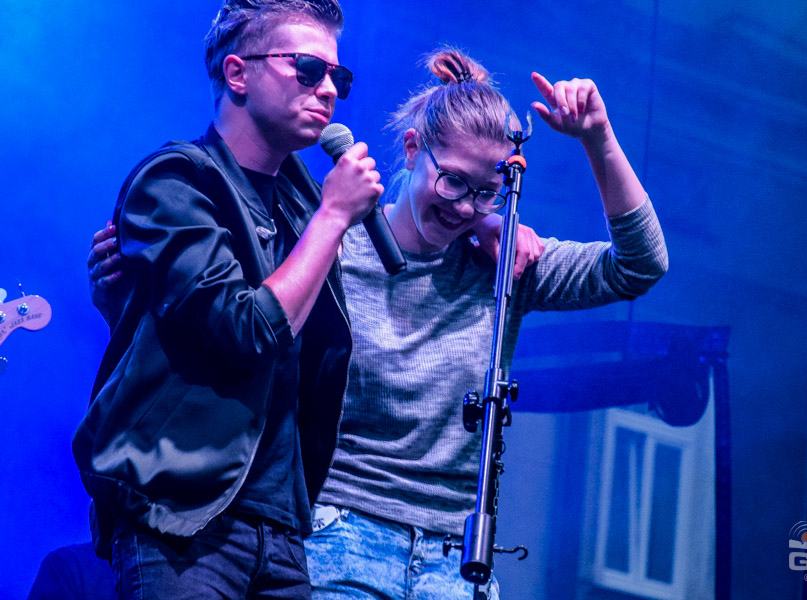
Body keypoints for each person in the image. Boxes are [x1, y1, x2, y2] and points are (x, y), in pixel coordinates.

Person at [88, 48, 667, 598]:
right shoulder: (329, 243)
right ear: (412, 149)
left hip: (456, 557)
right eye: (453, 181)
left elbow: (641, 265)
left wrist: (598, 138)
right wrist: (123, 303)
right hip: (338, 535)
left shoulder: (505, 261)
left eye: (486, 193)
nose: (464, 207)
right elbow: (231, 328)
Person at [73, 1, 383, 598]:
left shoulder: (304, 200)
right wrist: (334, 216)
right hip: (183, 520)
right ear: (238, 73)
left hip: (283, 528)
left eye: (337, 77)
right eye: (308, 69)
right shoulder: (174, 181)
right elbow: (245, 330)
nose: (328, 90)